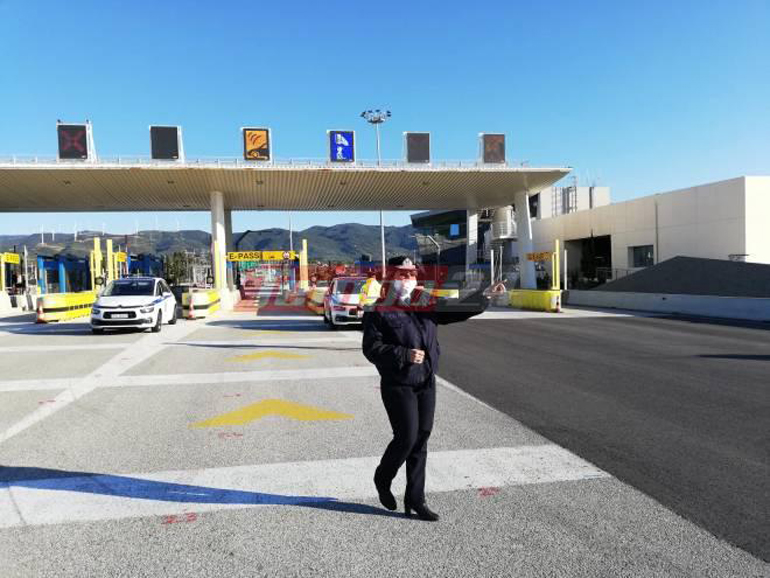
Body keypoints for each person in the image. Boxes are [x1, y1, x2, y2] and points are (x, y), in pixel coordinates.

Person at [362, 256, 505, 521]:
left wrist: (484, 295)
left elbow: (456, 309)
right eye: (402, 274)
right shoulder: (377, 310)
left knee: (421, 438)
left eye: (412, 274)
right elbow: (371, 349)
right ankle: (383, 477)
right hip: (398, 384)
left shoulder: (425, 301)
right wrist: (403, 354)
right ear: (391, 277)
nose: (408, 278)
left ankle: (416, 499)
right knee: (406, 438)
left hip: (426, 381)